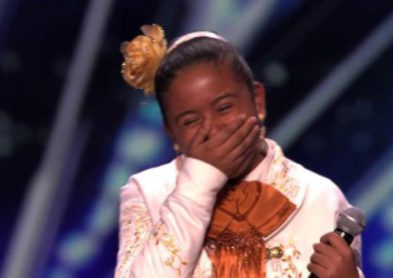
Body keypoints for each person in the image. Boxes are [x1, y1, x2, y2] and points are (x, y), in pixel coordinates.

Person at [115, 24, 363, 278]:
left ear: (258, 101)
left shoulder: (318, 196)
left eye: (224, 108)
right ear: (171, 132)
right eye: (190, 121)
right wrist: (201, 180)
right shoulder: (149, 192)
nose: (212, 130)